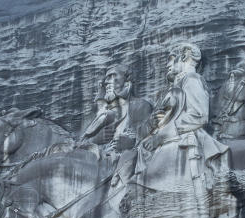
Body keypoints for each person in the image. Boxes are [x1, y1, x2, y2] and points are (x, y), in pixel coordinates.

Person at [141, 42, 227, 182]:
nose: (167, 65)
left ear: (185, 55)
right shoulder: (177, 84)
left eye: (171, 59)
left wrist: (160, 136)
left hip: (185, 142)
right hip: (172, 140)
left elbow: (199, 116)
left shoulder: (191, 79)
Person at [80, 65, 153, 153]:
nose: (106, 82)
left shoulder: (140, 106)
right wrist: (95, 140)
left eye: (112, 76)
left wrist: (130, 143)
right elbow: (81, 144)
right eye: (106, 78)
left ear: (127, 83)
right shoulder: (104, 114)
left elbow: (150, 138)